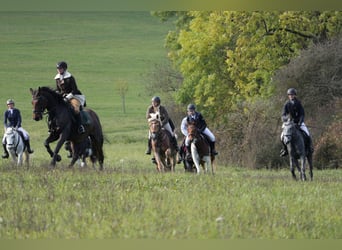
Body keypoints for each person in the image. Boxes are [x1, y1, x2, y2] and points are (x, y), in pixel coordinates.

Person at [280, 88, 314, 157]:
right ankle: (285, 149)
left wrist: (300, 122)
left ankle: (309, 147)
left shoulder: (298, 103)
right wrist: (287, 119)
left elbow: (302, 114)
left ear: (295, 95)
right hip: (289, 123)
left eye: (292, 95)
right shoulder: (287, 104)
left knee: (307, 133)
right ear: (288, 96)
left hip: (298, 122)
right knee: (282, 136)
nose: (291, 96)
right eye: (290, 95)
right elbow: (283, 115)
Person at [55, 61, 86, 134]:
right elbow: (58, 90)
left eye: (60, 68)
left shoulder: (70, 78)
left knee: (75, 109)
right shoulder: (57, 78)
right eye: (58, 69)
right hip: (63, 96)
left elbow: (74, 90)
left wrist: (67, 97)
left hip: (74, 96)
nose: (59, 70)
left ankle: (80, 126)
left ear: (64, 69)